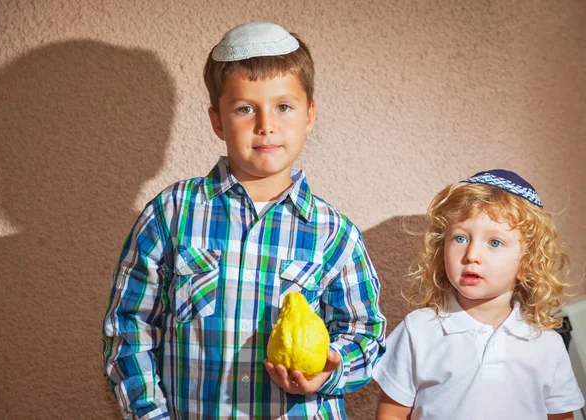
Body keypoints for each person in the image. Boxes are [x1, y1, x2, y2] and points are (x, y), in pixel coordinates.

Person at [102, 22, 386, 419]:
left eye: (283, 107)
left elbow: (366, 331)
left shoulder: (334, 233)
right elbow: (129, 329)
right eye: (245, 108)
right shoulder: (171, 214)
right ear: (217, 120)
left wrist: (329, 370)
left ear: (309, 115)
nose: (265, 124)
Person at [373, 170, 585, 420]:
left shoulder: (546, 344)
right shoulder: (419, 329)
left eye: (494, 242)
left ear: (527, 264)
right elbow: (392, 414)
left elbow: (561, 417)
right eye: (460, 238)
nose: (471, 253)